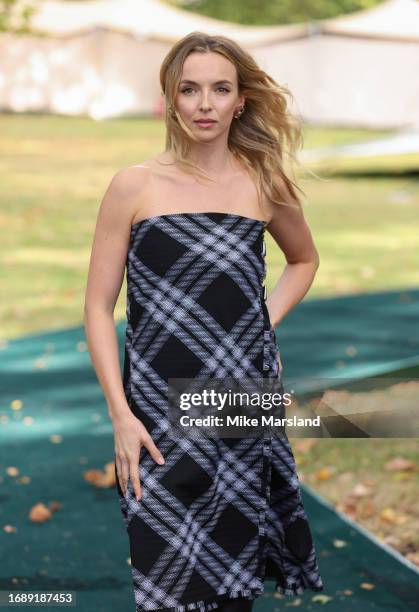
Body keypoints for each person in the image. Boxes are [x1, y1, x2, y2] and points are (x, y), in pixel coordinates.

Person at [84, 31, 324, 612]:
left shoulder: (264, 182)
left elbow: (304, 259)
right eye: (189, 89)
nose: (205, 104)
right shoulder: (132, 186)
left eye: (221, 89)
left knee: (233, 578)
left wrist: (259, 327)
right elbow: (97, 307)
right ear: (169, 99)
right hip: (155, 404)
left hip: (240, 396)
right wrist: (120, 415)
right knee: (166, 579)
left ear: (241, 99)